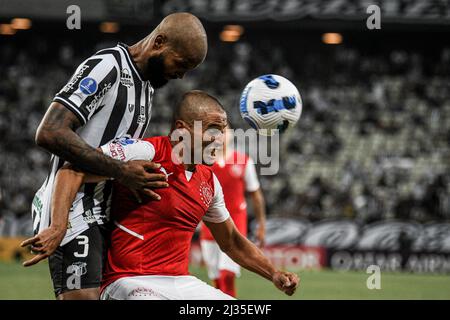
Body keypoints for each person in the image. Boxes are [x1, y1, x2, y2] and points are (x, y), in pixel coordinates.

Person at [22, 13, 208, 300]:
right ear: (159, 42)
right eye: (181, 64)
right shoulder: (107, 66)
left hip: (106, 212)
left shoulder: (146, 87)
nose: (181, 75)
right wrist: (122, 171)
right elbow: (50, 132)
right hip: (72, 208)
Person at [45, 90, 299, 300]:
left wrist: (273, 273)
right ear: (182, 129)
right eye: (212, 129)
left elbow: (231, 240)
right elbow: (72, 171)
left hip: (180, 282)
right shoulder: (145, 152)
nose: (220, 139)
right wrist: (58, 225)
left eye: (223, 131)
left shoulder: (209, 182)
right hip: (129, 282)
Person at [199, 128, 266, 297]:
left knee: (227, 275)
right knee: (217, 280)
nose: (221, 135)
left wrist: (261, 225)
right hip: (210, 227)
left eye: (225, 131)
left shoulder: (244, 161)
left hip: (235, 227)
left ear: (231, 135)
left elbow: (256, 195)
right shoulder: (203, 162)